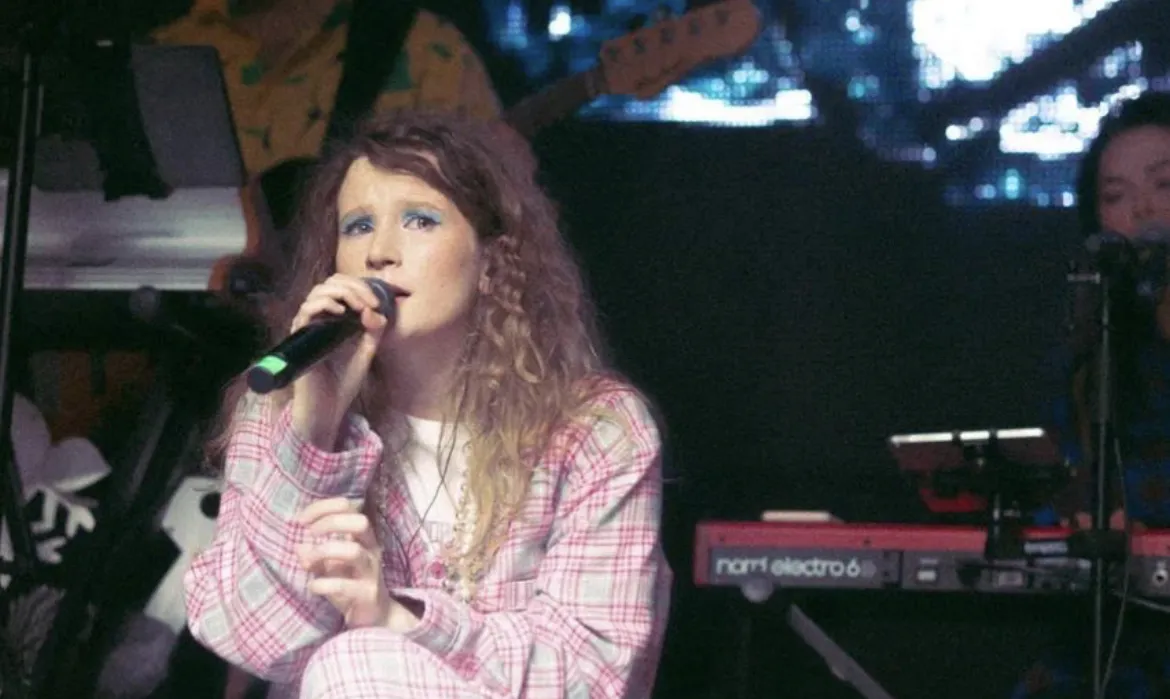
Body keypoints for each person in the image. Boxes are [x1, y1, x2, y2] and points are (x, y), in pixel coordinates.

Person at [181, 108, 673, 699]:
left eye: (419, 220)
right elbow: (255, 644)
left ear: (491, 262)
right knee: (348, 665)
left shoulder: (594, 430)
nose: (380, 252)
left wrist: (401, 620)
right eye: (358, 226)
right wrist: (312, 439)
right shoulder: (279, 414)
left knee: (355, 661)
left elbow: (594, 675)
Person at [1013, 89, 1170, 699]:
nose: (1143, 210)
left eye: (1164, 184)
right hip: (1116, 629)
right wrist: (1079, 506)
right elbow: (1059, 475)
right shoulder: (1093, 342)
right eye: (1116, 196)